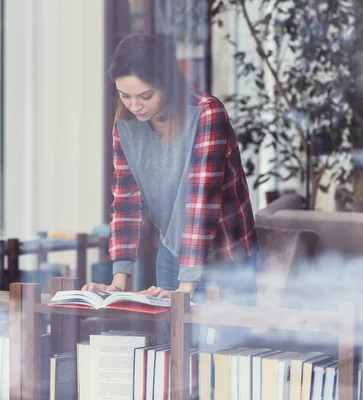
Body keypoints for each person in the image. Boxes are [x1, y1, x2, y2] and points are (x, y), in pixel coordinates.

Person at [82, 34, 259, 343]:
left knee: (226, 364)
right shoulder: (124, 124)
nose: (135, 106)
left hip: (228, 256)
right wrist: (118, 280)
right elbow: (125, 201)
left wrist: (186, 287)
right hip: (174, 252)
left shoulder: (205, 113)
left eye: (146, 96)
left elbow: (200, 202)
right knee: (177, 358)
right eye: (125, 95)